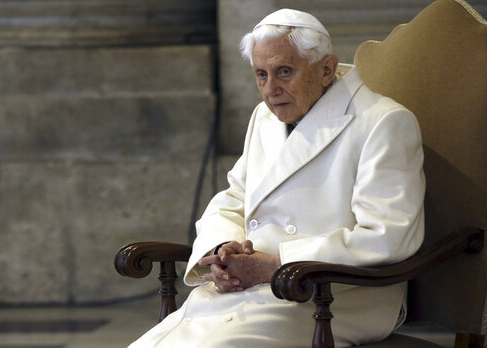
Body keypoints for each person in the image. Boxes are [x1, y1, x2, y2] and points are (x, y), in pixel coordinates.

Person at [129, 8, 425, 348]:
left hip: (330, 297)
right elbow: (234, 197)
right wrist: (222, 251)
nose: (271, 89)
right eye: (261, 75)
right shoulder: (265, 118)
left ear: (326, 69)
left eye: (284, 72)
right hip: (250, 289)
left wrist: (275, 265)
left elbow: (388, 236)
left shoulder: (382, 122)